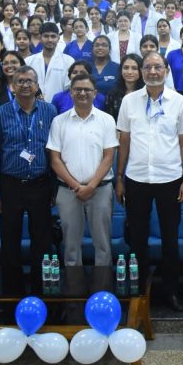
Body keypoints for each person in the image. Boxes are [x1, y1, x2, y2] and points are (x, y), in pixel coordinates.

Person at [115, 52, 183, 311]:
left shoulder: (179, 102)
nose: (152, 71)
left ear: (166, 70)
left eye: (157, 67)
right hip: (136, 178)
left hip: (169, 178)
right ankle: (139, 291)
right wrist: (119, 177)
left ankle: (171, 292)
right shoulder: (129, 101)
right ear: (141, 71)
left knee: (170, 239)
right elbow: (124, 141)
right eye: (147, 67)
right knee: (137, 239)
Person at [0, 66, 57, 279]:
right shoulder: (1, 113)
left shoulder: (50, 111)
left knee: (42, 238)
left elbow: (55, 151)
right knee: (10, 237)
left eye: (30, 81)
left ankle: (41, 287)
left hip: (40, 183)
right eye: (20, 81)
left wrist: (54, 188)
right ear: (13, 86)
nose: (25, 85)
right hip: (11, 184)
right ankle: (12, 289)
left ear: (37, 86)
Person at [49, 74, 117, 270]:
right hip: (68, 190)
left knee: (103, 244)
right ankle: (74, 287)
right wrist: (77, 186)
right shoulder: (59, 121)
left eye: (87, 90)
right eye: (77, 89)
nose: (82, 93)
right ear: (71, 93)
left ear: (95, 93)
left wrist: (91, 186)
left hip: (100, 189)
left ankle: (102, 285)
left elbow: (108, 157)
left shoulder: (106, 120)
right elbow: (55, 160)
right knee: (70, 245)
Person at [26, 22, 73, 103]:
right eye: (46, 36)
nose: (50, 40)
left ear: (58, 38)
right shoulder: (29, 61)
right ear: (40, 38)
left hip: (59, 106)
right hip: (33, 105)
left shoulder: (68, 61)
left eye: (53, 36)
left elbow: (68, 89)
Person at [102, 54, 142, 121]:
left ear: (141, 71)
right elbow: (108, 119)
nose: (129, 72)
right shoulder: (113, 93)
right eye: (126, 68)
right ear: (121, 70)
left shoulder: (147, 92)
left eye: (134, 68)